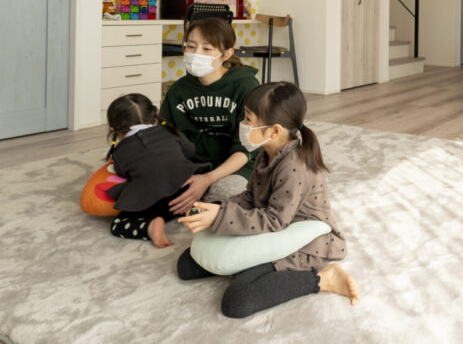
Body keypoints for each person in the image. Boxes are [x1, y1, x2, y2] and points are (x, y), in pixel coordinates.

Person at [176, 82, 360, 318]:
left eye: (248, 119)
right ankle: (249, 266)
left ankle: (324, 279)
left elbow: (275, 220)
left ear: (274, 131)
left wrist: (220, 218)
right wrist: (217, 209)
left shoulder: (294, 167)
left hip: (304, 241)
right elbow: (251, 196)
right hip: (271, 227)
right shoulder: (266, 153)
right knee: (187, 265)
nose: (242, 124)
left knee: (237, 302)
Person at [159, 17, 261, 215]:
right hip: (194, 165)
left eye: (207, 49)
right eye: (190, 46)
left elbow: (246, 149)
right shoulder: (178, 90)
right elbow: (166, 139)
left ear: (226, 54)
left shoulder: (246, 87)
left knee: (228, 197)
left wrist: (207, 180)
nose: (196, 54)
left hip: (236, 166)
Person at [105, 93, 210, 247]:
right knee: (192, 188)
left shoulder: (120, 151)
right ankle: (194, 211)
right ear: (154, 117)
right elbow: (190, 152)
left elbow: (122, 173)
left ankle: (149, 226)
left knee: (118, 224)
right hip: (185, 196)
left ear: (114, 129)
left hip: (150, 203)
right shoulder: (171, 131)